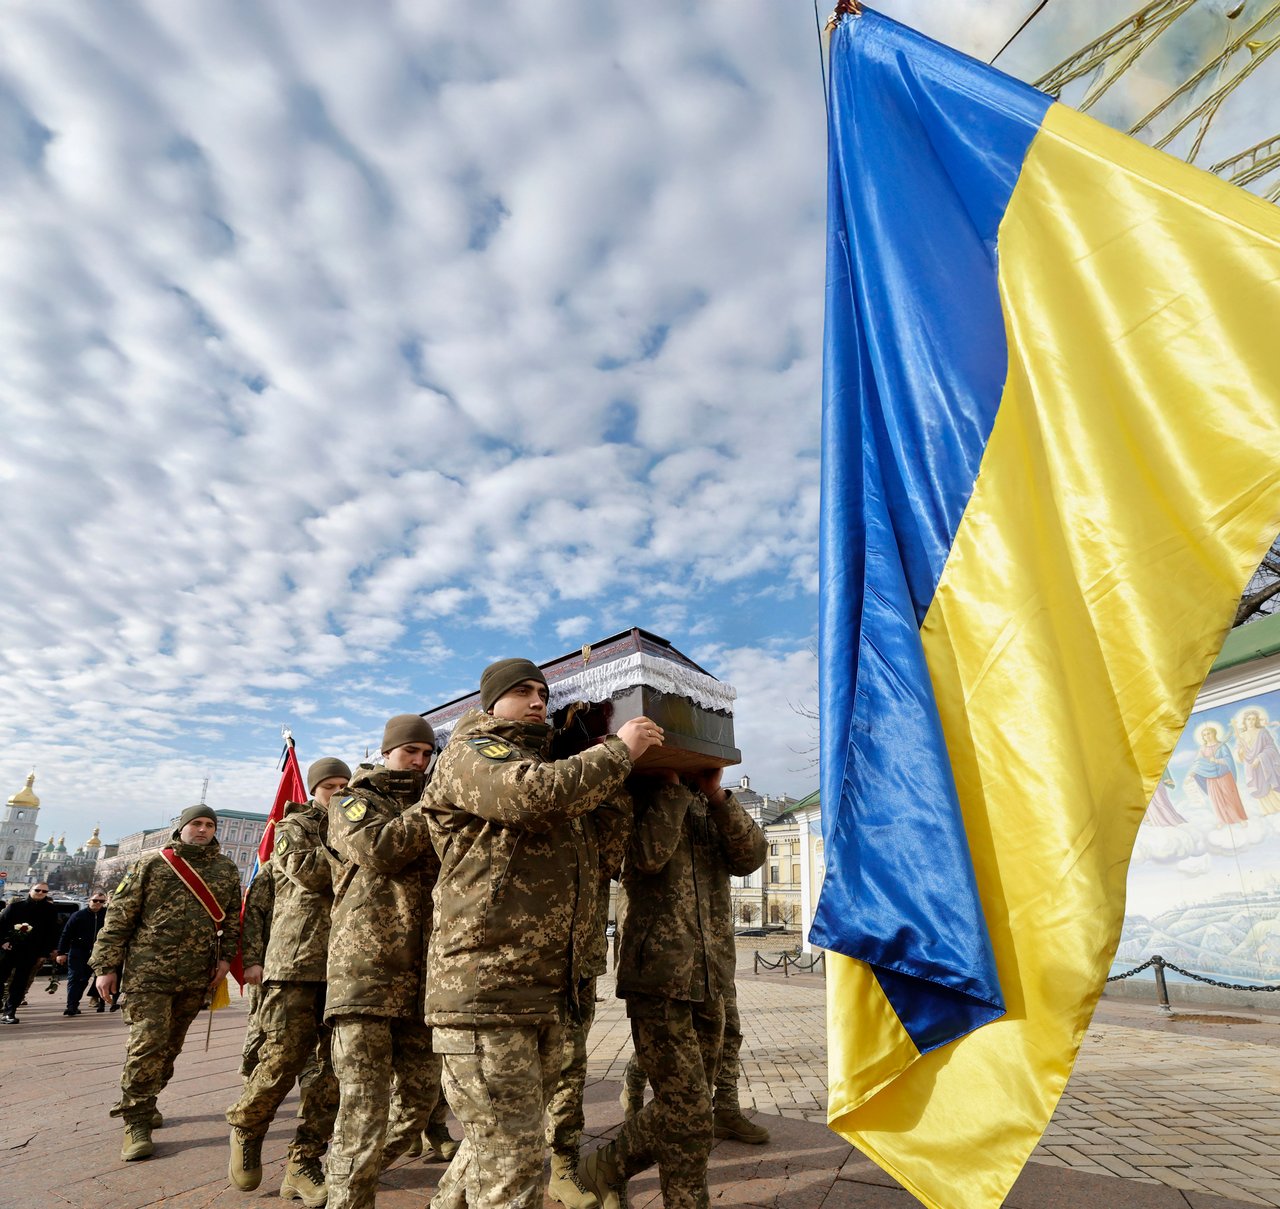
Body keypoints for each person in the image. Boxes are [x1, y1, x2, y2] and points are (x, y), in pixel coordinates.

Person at [423, 657, 659, 1209]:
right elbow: (533, 796)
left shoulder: (558, 770)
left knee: (497, 1144)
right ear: (490, 703)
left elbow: (604, 855)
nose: (537, 702)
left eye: (543, 694)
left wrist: (620, 779)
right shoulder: (473, 752)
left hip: (549, 992)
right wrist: (618, 749)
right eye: (522, 692)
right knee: (515, 1159)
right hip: (488, 990)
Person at [580, 771, 767, 1209]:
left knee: (689, 1107)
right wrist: (671, 789)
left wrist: (717, 796)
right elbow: (646, 856)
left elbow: (751, 856)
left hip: (711, 975)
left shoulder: (710, 803)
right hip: (658, 975)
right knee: (687, 1107)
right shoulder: (632, 794)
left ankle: (606, 1168)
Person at [325, 718, 441, 1209]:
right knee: (362, 1105)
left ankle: (345, 1175)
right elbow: (380, 849)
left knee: (418, 1101)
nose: (419, 761)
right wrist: (439, 800)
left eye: (427, 753)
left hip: (425, 977)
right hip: (365, 975)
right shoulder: (352, 800)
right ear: (386, 750)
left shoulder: (440, 799)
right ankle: (348, 1197)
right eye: (410, 751)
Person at [228, 757, 350, 1206]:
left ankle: (304, 1163)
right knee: (281, 1059)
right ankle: (247, 1124)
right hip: (296, 962)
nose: (338, 793)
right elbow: (311, 871)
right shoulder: (292, 828)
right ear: (314, 789)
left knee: (331, 1074)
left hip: (344, 965)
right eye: (329, 786)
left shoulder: (357, 821)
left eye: (344, 785)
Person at [91, 804, 242, 1162]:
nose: (203, 830)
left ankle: (146, 1098)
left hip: (195, 975)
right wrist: (106, 966)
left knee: (170, 1048)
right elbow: (120, 917)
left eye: (209, 824)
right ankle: (136, 1119)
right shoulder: (154, 863)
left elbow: (233, 919)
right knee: (147, 1045)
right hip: (148, 973)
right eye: (196, 823)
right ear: (182, 827)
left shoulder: (225, 869)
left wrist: (223, 960)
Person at [237, 860, 277, 1079]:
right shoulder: (271, 869)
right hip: (267, 962)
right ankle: (250, 1073)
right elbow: (252, 917)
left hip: (307, 963)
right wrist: (252, 961)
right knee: (261, 1023)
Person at [0, 881, 61, 1023]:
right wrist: (3, 942)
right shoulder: (15, 907)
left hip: (31, 952)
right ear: (30, 890)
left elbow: (52, 933)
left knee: (20, 983)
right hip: (9, 950)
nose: (40, 893)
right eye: (38, 890)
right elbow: (1, 926)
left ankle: (10, 1012)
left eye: (44, 891)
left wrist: (45, 953)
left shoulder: (50, 910)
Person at [56, 890, 109, 1015]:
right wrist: (61, 952)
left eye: (101, 901)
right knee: (75, 978)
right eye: (95, 900)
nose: (98, 903)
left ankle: (78, 1002)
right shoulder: (78, 915)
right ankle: (71, 1006)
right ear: (89, 901)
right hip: (78, 951)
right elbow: (66, 934)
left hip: (98, 952)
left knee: (85, 979)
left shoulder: (107, 916)